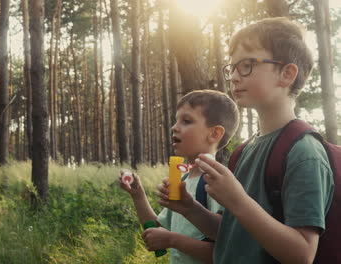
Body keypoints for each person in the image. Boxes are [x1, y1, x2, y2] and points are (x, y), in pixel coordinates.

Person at [157, 17, 334, 264]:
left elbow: (302, 253)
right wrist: (190, 209)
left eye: (247, 65)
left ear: (287, 74)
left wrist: (237, 200)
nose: (234, 77)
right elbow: (234, 234)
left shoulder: (304, 152)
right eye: (231, 68)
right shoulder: (244, 151)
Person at [119, 90, 239, 264]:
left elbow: (224, 250)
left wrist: (172, 240)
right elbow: (159, 228)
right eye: (176, 120)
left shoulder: (216, 181)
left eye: (187, 121)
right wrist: (138, 196)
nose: (174, 127)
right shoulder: (182, 180)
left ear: (214, 134)